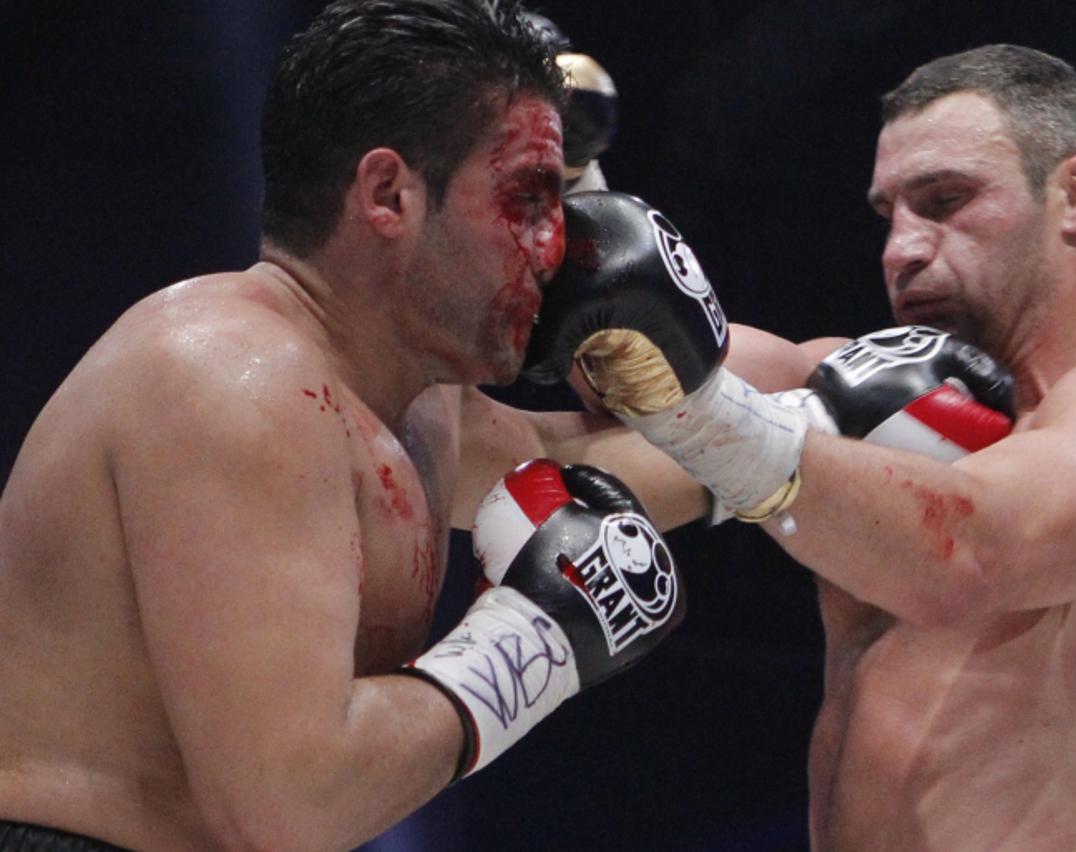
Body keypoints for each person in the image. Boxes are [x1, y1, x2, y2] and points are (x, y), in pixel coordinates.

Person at [0, 2, 691, 850]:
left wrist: (784, 413)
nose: (555, 247)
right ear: (388, 195)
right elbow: (288, 808)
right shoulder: (235, 382)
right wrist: (531, 644)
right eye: (526, 199)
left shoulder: (410, 407)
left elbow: (640, 466)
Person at [526, 45, 1076, 850]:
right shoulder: (858, 384)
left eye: (945, 200)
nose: (901, 248)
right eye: (889, 214)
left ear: (1075, 194)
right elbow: (644, 363)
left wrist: (709, 422)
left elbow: (967, 556)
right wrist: (574, 178)